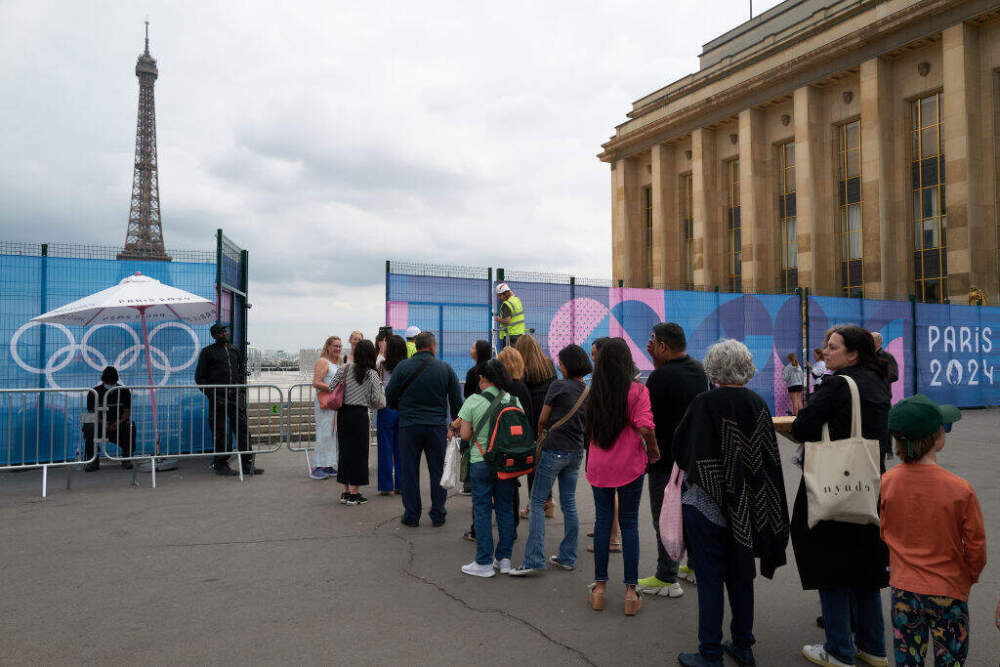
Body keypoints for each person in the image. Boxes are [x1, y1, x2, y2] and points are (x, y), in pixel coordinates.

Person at [672, 339, 791, 667]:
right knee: (741, 575)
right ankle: (743, 644)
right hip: (747, 506)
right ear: (747, 367)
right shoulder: (757, 404)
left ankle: (710, 653)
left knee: (710, 579)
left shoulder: (704, 403)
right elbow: (767, 461)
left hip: (705, 506)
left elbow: (684, 450)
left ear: (712, 368)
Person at [791, 325, 891, 667]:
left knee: (830, 565)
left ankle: (839, 650)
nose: (826, 351)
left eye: (832, 347)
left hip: (834, 484)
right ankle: (873, 647)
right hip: (870, 484)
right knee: (866, 566)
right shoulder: (878, 381)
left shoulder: (836, 385)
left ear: (853, 354)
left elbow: (802, 426)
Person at [882, 395, 985, 667]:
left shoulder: (887, 483)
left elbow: (885, 531)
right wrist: (969, 576)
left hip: (903, 590)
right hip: (948, 590)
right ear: (936, 437)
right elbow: (975, 546)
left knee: (908, 659)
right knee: (951, 659)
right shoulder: (960, 489)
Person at [584, 338, 660, 616]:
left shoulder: (594, 391)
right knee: (629, 524)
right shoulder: (637, 390)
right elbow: (644, 426)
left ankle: (600, 588)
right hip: (630, 466)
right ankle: (631, 591)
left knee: (603, 522)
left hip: (599, 466)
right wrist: (652, 448)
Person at [637, 322, 709, 599]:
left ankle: (667, 576)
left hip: (665, 458)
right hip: (693, 456)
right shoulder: (699, 370)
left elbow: (649, 420)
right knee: (690, 512)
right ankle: (691, 566)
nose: (648, 345)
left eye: (652, 341)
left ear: (664, 346)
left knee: (663, 517)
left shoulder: (659, 378)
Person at [509, 344, 592, 577]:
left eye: (561, 361)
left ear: (567, 365)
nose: (558, 363)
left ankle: (534, 558)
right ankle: (567, 556)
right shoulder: (587, 390)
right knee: (569, 504)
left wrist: (540, 435)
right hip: (575, 452)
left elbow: (543, 419)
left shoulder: (558, 386)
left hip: (554, 449)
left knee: (536, 502)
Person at [386, 331, 463, 527]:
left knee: (409, 470)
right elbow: (456, 402)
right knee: (437, 471)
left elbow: (390, 395)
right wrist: (454, 425)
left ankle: (411, 515)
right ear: (432, 347)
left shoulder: (402, 367)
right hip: (436, 427)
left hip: (409, 426)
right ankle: (438, 513)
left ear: (417, 346)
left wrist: (402, 410)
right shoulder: (445, 368)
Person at [451, 359, 521, 577]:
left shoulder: (473, 401)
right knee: (505, 509)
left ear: (482, 379)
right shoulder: (514, 400)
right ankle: (505, 559)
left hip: (481, 461)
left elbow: (464, 435)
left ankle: (483, 562)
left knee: (482, 510)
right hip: (506, 464)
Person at [195, 323, 260, 476]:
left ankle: (246, 463)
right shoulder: (207, 352)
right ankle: (220, 464)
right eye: (221, 332)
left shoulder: (234, 350)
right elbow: (200, 378)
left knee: (243, 429)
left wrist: (241, 391)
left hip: (235, 397)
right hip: (218, 399)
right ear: (214, 335)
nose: (225, 333)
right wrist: (213, 395)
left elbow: (240, 371)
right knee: (220, 431)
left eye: (225, 331)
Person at [329, 339, 385, 505]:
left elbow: (332, 387)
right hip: (360, 415)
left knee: (345, 452)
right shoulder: (371, 374)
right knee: (359, 454)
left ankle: (345, 492)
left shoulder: (344, 368)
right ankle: (355, 493)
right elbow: (377, 399)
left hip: (343, 414)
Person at [515, 334, 557, 519]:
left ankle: (534, 505)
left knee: (533, 463)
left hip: (531, 417)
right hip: (548, 415)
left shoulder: (522, 367)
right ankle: (548, 502)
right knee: (544, 461)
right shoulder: (547, 364)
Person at [587, 337, 620, 553]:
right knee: (605, 489)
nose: (591, 356)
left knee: (610, 489)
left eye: (594, 352)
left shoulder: (607, 378)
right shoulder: (606, 376)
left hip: (606, 441)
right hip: (602, 439)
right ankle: (605, 528)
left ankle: (613, 538)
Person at [496, 347, 531, 534]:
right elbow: (529, 417)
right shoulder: (522, 388)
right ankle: (513, 524)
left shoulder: (498, 388)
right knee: (512, 484)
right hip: (516, 444)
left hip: (498, 444)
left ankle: (504, 524)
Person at [82, 366, 135, 471]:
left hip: (118, 423)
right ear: (103, 380)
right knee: (88, 421)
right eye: (108, 382)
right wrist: (104, 423)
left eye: (112, 382)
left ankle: (126, 458)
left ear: (116, 380)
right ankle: (92, 459)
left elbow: (127, 411)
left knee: (130, 425)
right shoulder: (94, 392)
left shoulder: (124, 391)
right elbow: (91, 413)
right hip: (100, 423)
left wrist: (118, 423)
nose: (110, 385)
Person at [376, 335, 407, 495]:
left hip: (386, 406)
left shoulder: (382, 364)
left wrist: (381, 352)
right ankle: (401, 484)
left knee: (385, 447)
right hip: (403, 407)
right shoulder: (407, 366)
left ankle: (386, 486)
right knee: (401, 447)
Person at [309, 336, 341, 480]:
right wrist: (333, 388)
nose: (338, 349)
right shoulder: (323, 361)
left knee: (331, 434)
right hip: (325, 403)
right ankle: (317, 466)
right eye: (335, 346)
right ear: (327, 347)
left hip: (333, 403)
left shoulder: (336, 363)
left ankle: (327, 464)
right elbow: (316, 382)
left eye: (340, 346)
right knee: (323, 433)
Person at [495, 282, 525, 349]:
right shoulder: (517, 300)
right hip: (520, 334)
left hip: (510, 336)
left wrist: (498, 319)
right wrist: (506, 286)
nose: (499, 298)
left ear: (505, 294)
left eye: (500, 295)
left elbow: (507, 320)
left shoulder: (506, 304)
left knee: (509, 358)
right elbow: (512, 294)